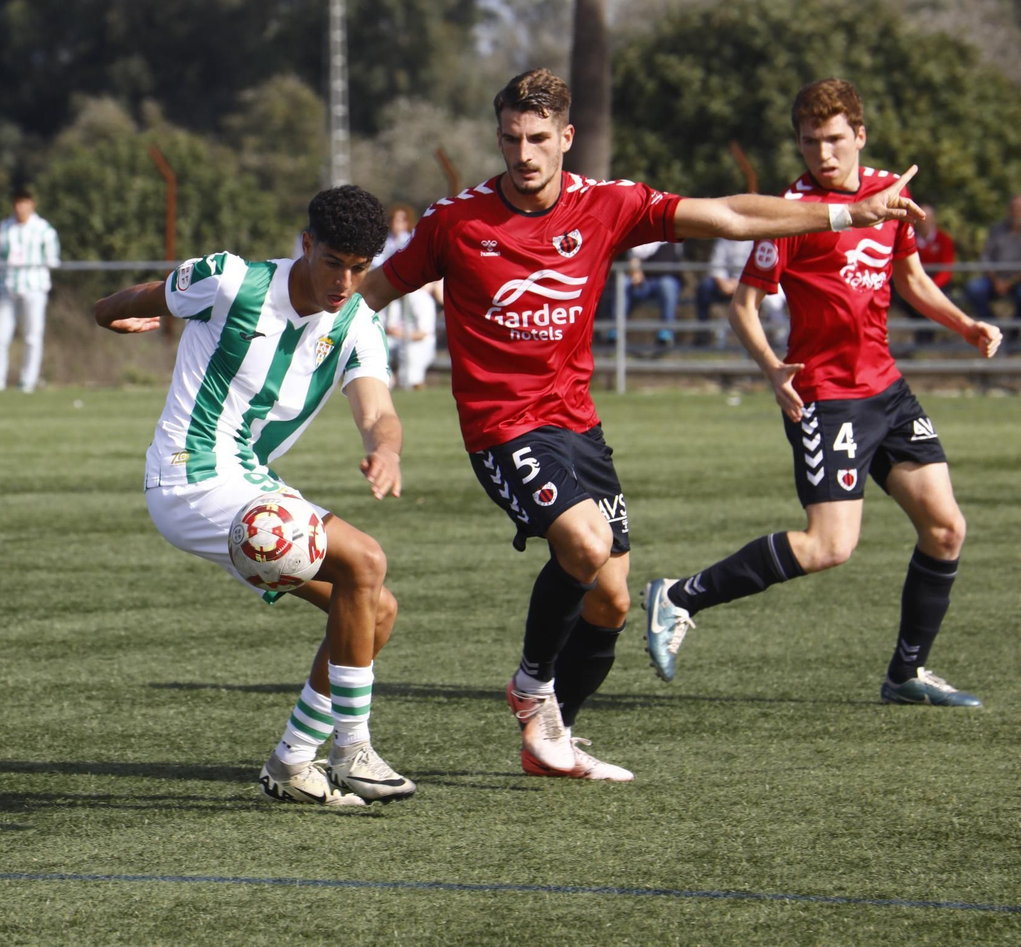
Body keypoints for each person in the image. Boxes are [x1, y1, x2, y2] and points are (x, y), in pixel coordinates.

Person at [360, 68, 923, 781]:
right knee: (586, 544)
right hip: (502, 426)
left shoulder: (609, 205)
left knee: (613, 599)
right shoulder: (455, 223)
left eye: (538, 139)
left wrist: (848, 214)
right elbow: (365, 299)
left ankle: (553, 741)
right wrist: (360, 400)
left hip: (578, 425)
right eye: (510, 139)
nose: (524, 154)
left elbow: (730, 217)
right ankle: (532, 685)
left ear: (566, 137)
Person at [643, 79, 1002, 707]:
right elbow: (743, 307)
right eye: (810, 142)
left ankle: (906, 675)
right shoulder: (791, 213)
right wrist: (772, 367)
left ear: (859, 136)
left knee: (945, 529)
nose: (823, 154)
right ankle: (677, 597)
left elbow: (910, 278)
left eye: (834, 140)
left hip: (887, 390)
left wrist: (963, 324)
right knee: (830, 545)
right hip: (827, 398)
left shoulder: (891, 193)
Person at [94, 185, 413, 808]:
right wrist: (111, 316)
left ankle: (292, 762)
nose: (344, 281)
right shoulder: (230, 280)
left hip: (247, 481)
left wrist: (388, 448)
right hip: (191, 476)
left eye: (360, 267)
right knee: (366, 559)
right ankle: (353, 749)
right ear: (306, 244)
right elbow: (128, 299)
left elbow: (379, 412)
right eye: (333, 262)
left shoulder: (358, 326)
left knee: (374, 610)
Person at [0, 189, 60, 394]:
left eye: (24, 203)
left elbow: (52, 260)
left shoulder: (44, 230)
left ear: (32, 204)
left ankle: (28, 380)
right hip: (8, 287)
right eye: (17, 203)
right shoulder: (3, 228)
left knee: (32, 336)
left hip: (34, 288)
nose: (20, 207)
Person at [373, 205, 441, 390]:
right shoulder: (384, 243)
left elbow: (424, 332)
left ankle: (414, 382)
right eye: (395, 220)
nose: (398, 224)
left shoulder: (410, 240)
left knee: (411, 361)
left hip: (415, 335)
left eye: (402, 220)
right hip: (390, 290)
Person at [899, 202, 956, 345]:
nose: (924, 222)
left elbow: (947, 269)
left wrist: (930, 286)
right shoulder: (908, 237)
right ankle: (923, 332)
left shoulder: (944, 240)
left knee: (931, 299)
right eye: (921, 218)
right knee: (901, 298)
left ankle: (926, 337)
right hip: (913, 281)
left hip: (937, 283)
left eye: (927, 218)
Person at [963, 195, 1021, 327]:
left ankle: (1013, 332)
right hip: (994, 279)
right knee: (974, 289)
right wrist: (996, 280)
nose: (1016, 213)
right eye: (1013, 209)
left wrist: (1009, 282)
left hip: (1017, 281)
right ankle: (993, 326)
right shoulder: (996, 230)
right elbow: (985, 257)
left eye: (1019, 209)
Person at [623, 240, 683, 350]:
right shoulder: (642, 235)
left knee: (667, 285)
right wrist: (635, 271)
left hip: (665, 281)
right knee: (623, 283)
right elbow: (633, 257)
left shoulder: (673, 237)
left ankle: (667, 332)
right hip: (644, 283)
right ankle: (616, 330)